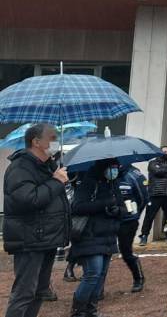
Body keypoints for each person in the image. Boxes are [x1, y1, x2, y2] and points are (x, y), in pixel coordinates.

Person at [3, 123, 69, 317]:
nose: (55, 142)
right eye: (52, 138)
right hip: (29, 239)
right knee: (24, 292)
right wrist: (56, 182)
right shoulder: (21, 167)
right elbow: (28, 199)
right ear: (36, 142)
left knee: (40, 292)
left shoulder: (47, 166)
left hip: (45, 238)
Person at [67, 159, 123, 317]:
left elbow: (122, 207)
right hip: (89, 235)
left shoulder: (114, 185)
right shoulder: (88, 183)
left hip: (108, 236)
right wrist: (104, 204)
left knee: (100, 275)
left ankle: (91, 310)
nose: (114, 171)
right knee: (93, 273)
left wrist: (117, 210)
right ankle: (78, 311)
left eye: (116, 168)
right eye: (111, 168)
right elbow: (77, 207)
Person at [114, 164, 148, 293]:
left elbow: (143, 198)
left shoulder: (133, 175)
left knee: (126, 251)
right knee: (103, 252)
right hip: (108, 220)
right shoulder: (104, 174)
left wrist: (134, 213)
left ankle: (138, 278)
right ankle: (98, 287)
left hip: (128, 221)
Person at [139, 146, 167, 246]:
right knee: (149, 216)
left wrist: (162, 173)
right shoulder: (152, 163)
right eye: (164, 151)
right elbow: (156, 171)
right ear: (160, 152)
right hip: (155, 194)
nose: (166, 153)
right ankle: (144, 236)